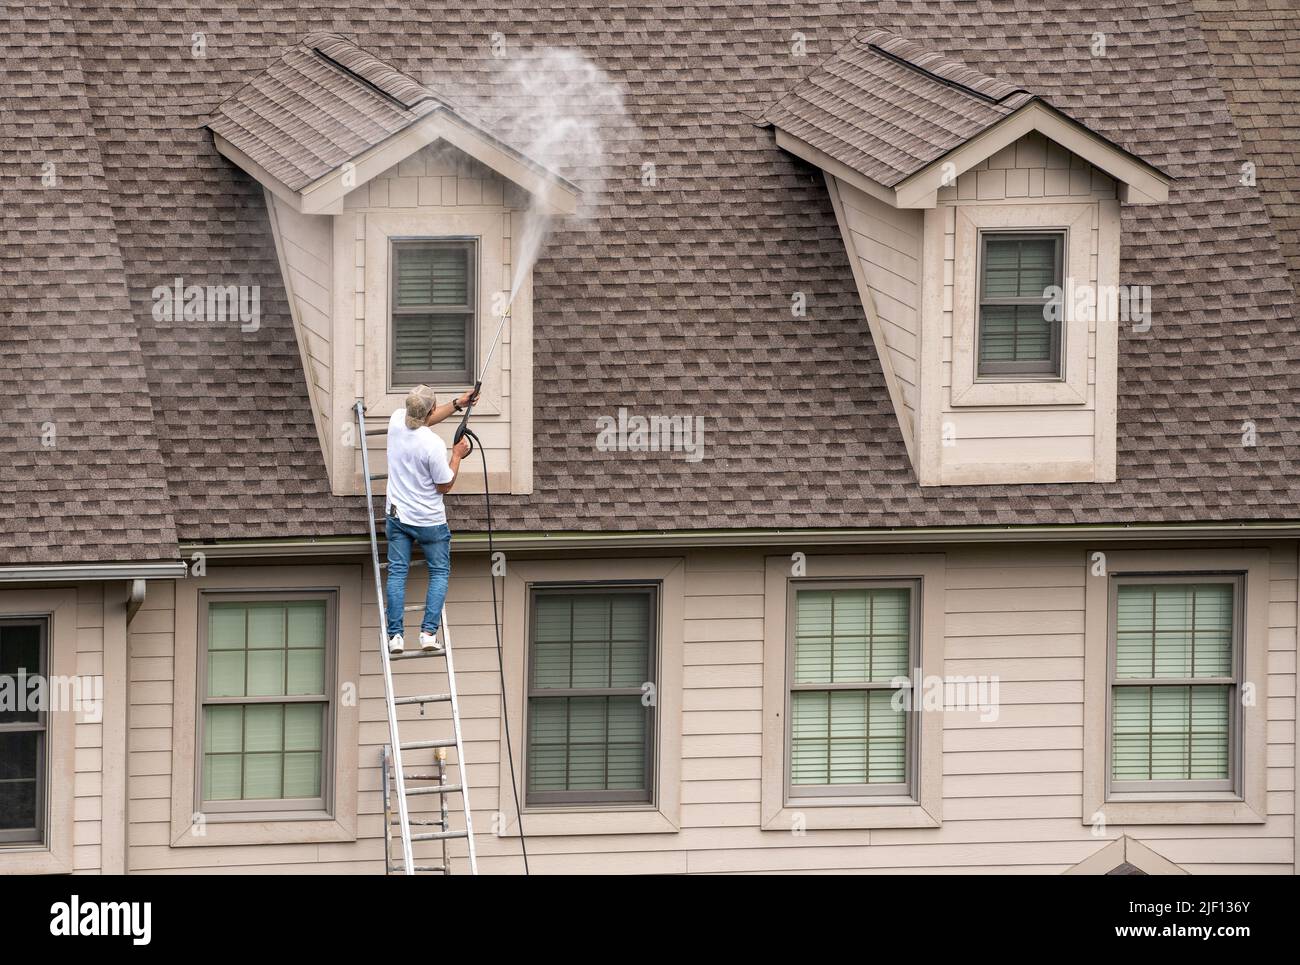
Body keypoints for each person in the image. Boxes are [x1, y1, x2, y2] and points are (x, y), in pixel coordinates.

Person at [383, 384, 476, 654]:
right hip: (429, 522)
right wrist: (456, 456)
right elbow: (444, 485)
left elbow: (423, 419)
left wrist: (458, 404)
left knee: (397, 573)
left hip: (397, 516)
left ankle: (395, 637)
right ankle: (427, 634)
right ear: (431, 409)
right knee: (439, 572)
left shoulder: (396, 420)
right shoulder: (432, 444)